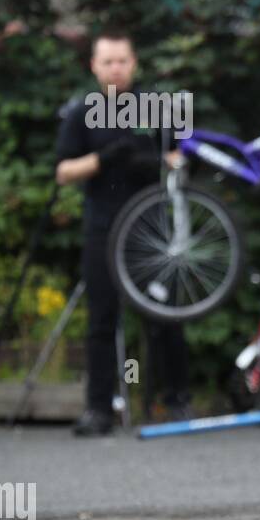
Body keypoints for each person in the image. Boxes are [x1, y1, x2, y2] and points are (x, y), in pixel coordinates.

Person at [54, 30, 192, 436]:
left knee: (164, 315)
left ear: (134, 63)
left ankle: (176, 402)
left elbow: (184, 158)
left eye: (122, 61)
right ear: (94, 66)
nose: (115, 68)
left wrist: (157, 161)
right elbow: (63, 171)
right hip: (102, 227)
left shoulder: (157, 108)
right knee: (101, 318)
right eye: (107, 61)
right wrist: (102, 159)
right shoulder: (81, 112)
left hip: (150, 230)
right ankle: (98, 408)